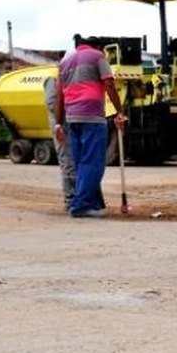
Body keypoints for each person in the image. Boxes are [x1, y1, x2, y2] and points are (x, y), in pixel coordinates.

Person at [55, 36, 125, 218]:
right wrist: (120, 111)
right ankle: (80, 206)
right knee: (93, 163)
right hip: (92, 115)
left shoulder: (65, 61)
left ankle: (93, 204)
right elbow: (109, 83)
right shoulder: (97, 56)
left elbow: (58, 96)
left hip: (72, 117)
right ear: (98, 46)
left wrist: (57, 123)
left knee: (81, 163)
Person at [44, 75, 75, 211]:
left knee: (73, 162)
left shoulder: (70, 73)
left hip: (68, 122)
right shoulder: (53, 77)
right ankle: (70, 199)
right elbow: (52, 104)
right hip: (61, 125)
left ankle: (75, 197)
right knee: (67, 162)